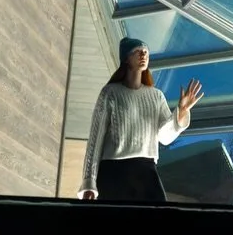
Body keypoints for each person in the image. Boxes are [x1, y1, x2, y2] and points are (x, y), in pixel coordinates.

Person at [79, 37, 203, 204]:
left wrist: (181, 112)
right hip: (113, 173)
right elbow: (95, 141)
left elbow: (164, 138)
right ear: (126, 58)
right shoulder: (110, 93)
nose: (143, 54)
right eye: (137, 51)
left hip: (146, 172)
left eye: (146, 52)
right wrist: (89, 182)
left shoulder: (156, 96)